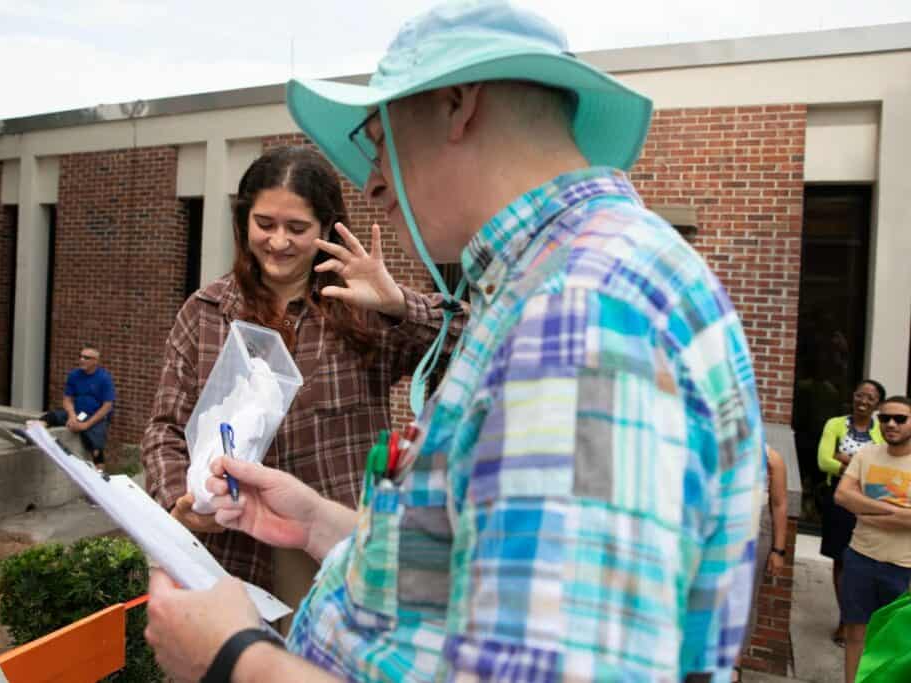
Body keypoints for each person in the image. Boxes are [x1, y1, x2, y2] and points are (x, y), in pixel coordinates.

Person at [145, 3, 764, 681]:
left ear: (457, 105)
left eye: (379, 141)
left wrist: (232, 660)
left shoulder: (577, 317)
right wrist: (321, 522)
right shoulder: (569, 282)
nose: (374, 180)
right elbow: (478, 562)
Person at [141, 145, 464, 615]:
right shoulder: (205, 313)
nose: (277, 242)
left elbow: (478, 338)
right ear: (243, 220)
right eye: (264, 224)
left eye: (297, 229)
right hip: (232, 557)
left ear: (327, 230)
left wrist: (398, 304)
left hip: (336, 558)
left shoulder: (361, 308)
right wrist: (179, 498)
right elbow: (165, 427)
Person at [834, 396, 911, 683]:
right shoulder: (866, 454)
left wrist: (865, 508)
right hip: (861, 557)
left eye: (900, 418)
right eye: (885, 418)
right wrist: (896, 511)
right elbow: (842, 496)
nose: (891, 424)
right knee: (855, 631)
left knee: (895, 642)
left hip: (904, 566)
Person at [818, 379, 886, 646]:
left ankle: (867, 619)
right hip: (840, 500)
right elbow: (824, 460)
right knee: (841, 559)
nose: (863, 401)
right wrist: (864, 467)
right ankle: (846, 620)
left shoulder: (882, 430)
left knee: (866, 561)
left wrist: (845, 458)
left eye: (870, 398)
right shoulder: (835, 424)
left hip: (871, 502)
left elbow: (883, 466)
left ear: (877, 404)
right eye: (860, 395)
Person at [734, 445, 789, 682]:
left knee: (743, 601)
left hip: (753, 533)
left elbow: (779, 504)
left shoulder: (770, 458)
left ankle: (734, 665)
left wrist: (779, 550)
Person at [39, 344, 115, 471]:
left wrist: (85, 425)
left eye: (86, 358)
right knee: (49, 417)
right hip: (77, 413)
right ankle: (29, 435)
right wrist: (72, 416)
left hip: (96, 416)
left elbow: (107, 407)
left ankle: (101, 478)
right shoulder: (74, 375)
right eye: (80, 356)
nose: (82, 360)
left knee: (96, 449)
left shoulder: (104, 379)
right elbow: (67, 399)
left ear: (95, 361)